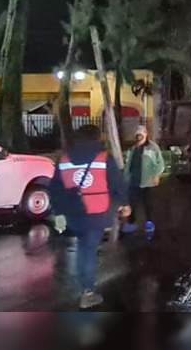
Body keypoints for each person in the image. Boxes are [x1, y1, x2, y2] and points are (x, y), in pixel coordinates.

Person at [50, 124, 130, 309]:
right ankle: (88, 291)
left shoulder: (64, 159)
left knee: (82, 247)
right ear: (96, 138)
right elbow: (117, 183)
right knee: (89, 250)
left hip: (74, 212)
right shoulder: (103, 158)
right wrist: (125, 204)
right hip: (96, 212)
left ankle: (85, 286)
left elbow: (55, 188)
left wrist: (59, 212)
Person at [124, 125, 165, 231]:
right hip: (134, 181)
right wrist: (125, 177)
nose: (140, 136)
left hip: (148, 181)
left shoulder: (153, 147)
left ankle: (150, 223)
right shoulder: (133, 148)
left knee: (148, 204)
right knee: (132, 203)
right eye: (138, 134)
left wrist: (156, 175)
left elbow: (160, 163)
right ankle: (131, 223)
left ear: (146, 135)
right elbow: (129, 164)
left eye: (142, 134)